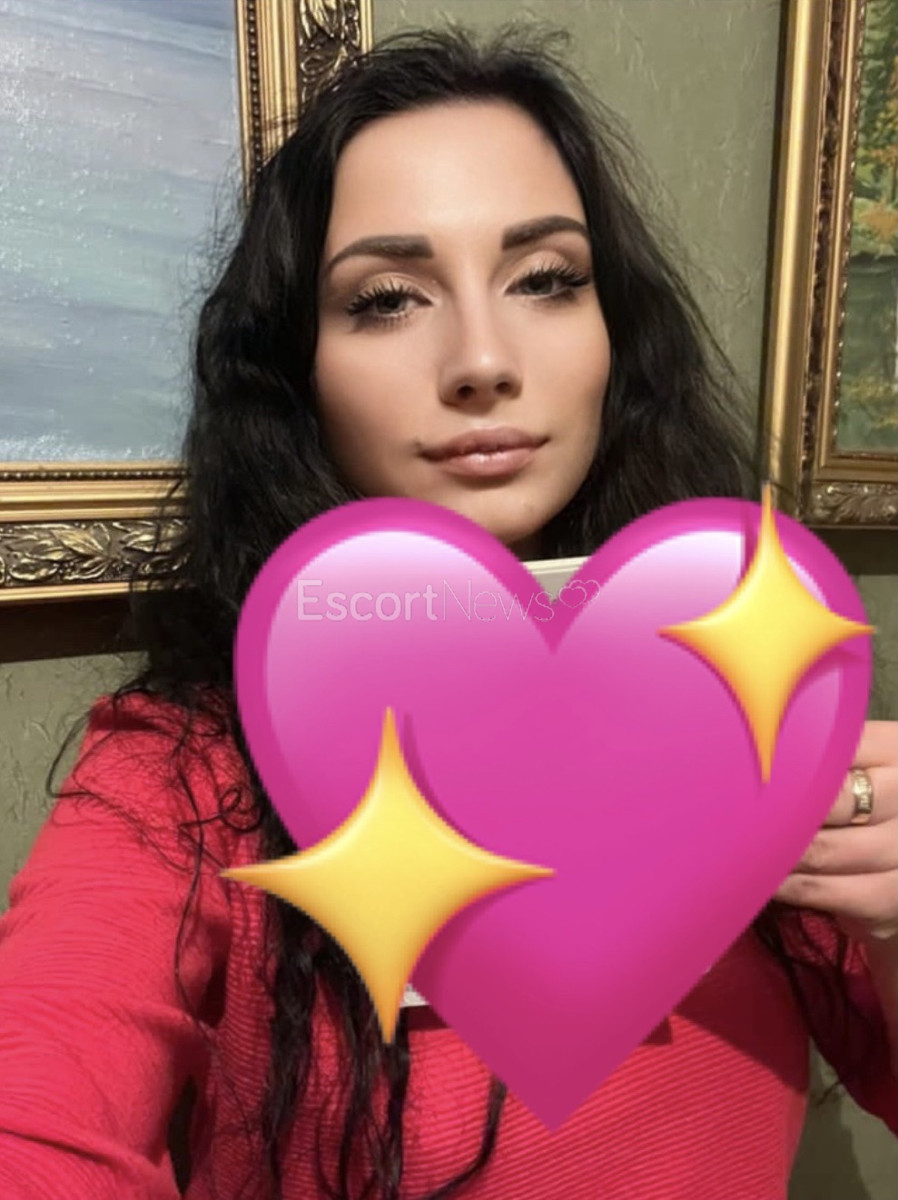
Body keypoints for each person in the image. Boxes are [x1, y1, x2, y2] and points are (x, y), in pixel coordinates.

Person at [1, 23, 895, 1200]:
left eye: (545, 279)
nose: (482, 358)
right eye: (385, 300)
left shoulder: (742, 697)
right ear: (298, 370)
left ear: (614, 331)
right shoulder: (183, 777)